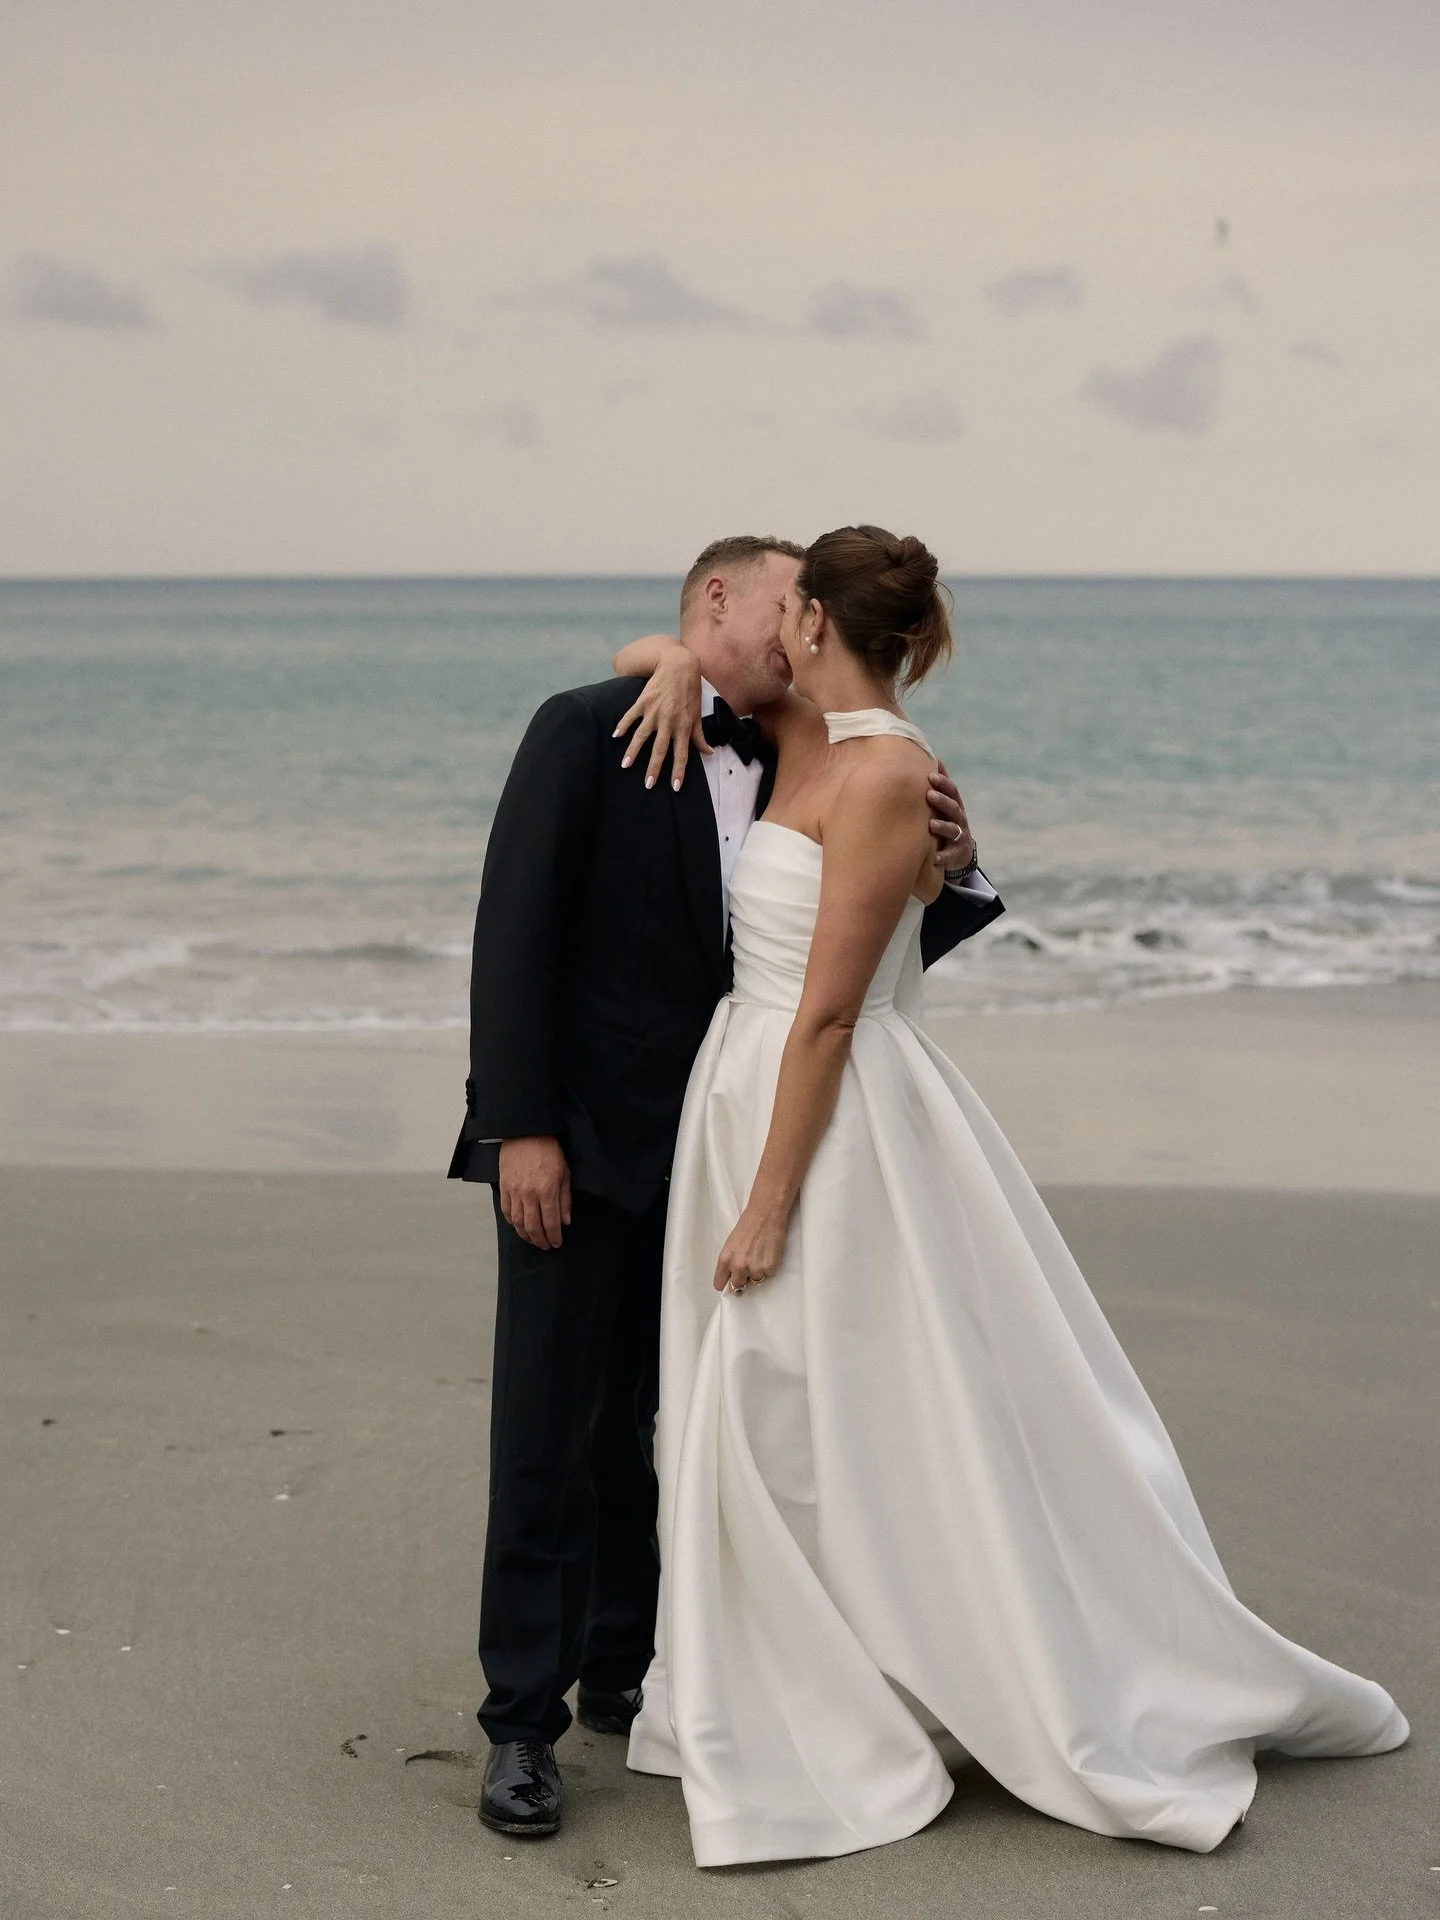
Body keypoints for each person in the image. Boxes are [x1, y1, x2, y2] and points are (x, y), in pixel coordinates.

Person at [617, 525, 1408, 1865]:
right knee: (773, 1395)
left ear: (815, 623)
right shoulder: (803, 731)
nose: (777, 624)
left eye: (792, 604)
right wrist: (668, 664)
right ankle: (806, 1665)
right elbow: (658, 650)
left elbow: (832, 1016)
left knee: (813, 1393)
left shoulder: (890, 774)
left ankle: (895, 1677)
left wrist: (767, 1201)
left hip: (830, 1116)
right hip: (740, 1086)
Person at [448, 535, 1003, 1838]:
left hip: (727, 1146)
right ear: (717, 601)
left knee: (679, 1422)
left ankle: (627, 1666)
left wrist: (959, 864)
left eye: (811, 613)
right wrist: (520, 1127)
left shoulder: (793, 746)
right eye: (782, 608)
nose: (799, 635)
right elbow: (513, 934)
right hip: (582, 1144)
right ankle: (520, 1725)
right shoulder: (587, 731)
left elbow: (846, 954)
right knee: (548, 1429)